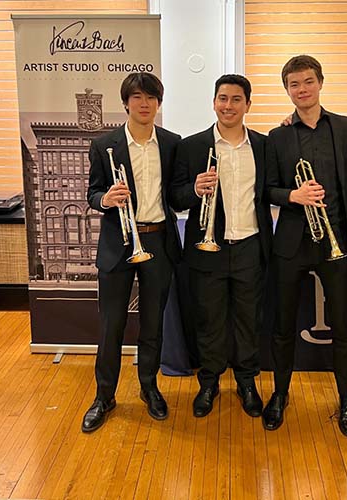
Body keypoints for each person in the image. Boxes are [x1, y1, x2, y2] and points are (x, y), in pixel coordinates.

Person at [263, 55, 347, 435]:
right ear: (286, 89)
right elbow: (268, 189)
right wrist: (293, 195)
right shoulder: (278, 136)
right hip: (292, 242)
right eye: (294, 84)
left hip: (336, 241)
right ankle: (280, 393)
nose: (302, 90)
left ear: (320, 82)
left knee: (343, 327)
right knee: (283, 325)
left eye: (308, 82)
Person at [82, 72, 182, 432]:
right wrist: (105, 199)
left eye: (151, 97)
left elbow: (175, 195)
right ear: (126, 102)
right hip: (117, 242)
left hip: (157, 241)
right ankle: (104, 396)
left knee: (153, 323)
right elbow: (92, 193)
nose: (144, 103)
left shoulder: (172, 143)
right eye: (137, 97)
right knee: (111, 325)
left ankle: (149, 387)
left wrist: (197, 190)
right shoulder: (104, 144)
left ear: (159, 102)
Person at [170, 74, 272, 418]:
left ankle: (246, 382)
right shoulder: (192, 146)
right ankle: (209, 382)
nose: (228, 106)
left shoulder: (263, 145)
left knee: (248, 320)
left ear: (247, 105)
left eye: (236, 99)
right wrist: (193, 190)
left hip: (249, 246)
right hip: (207, 250)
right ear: (214, 102)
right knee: (210, 321)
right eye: (222, 98)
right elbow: (175, 197)